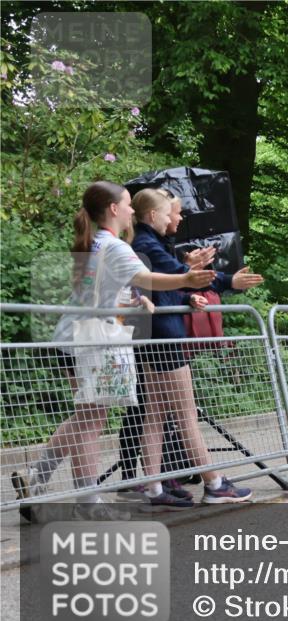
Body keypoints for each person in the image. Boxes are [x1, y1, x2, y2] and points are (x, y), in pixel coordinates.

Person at [10, 181, 214, 520]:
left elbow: (109, 290)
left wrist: (134, 299)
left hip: (77, 338)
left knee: (85, 418)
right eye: (127, 204)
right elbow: (147, 275)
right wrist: (186, 279)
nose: (132, 209)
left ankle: (37, 480)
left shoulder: (97, 245)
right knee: (91, 421)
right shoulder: (115, 246)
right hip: (91, 341)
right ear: (114, 209)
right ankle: (87, 504)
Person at [129, 188, 264, 508]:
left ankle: (153, 487)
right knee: (186, 413)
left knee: (156, 414)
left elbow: (173, 285)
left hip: (153, 334)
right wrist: (225, 281)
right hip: (165, 336)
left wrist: (190, 292)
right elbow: (182, 277)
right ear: (152, 216)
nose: (175, 218)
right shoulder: (146, 244)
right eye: (169, 213)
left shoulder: (149, 244)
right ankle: (214, 483)